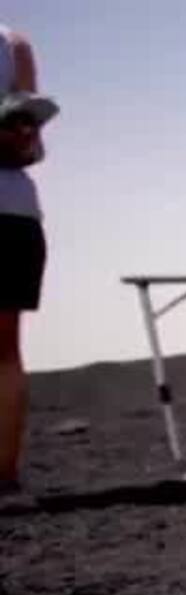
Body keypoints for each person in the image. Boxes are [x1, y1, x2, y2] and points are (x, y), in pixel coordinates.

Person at [0, 23, 47, 495]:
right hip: (13, 212)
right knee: (4, 352)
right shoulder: (13, 45)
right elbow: (31, 147)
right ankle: (4, 476)